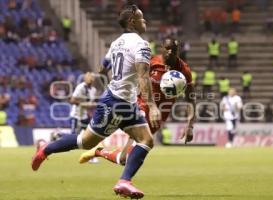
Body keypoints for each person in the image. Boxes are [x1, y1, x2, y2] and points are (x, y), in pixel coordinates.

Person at [31, 5, 161, 199]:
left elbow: (104, 66)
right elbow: (143, 76)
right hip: (118, 101)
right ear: (132, 21)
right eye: (142, 18)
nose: (145, 22)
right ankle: (46, 149)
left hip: (123, 101)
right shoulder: (141, 45)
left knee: (144, 140)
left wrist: (102, 75)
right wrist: (152, 106)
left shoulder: (116, 43)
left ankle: (124, 181)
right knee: (86, 142)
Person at [79, 37, 195, 166]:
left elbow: (190, 98)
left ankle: (99, 152)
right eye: (167, 49)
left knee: (124, 159)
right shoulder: (152, 62)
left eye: (173, 50)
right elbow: (133, 73)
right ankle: (124, 180)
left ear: (178, 51)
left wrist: (190, 125)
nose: (169, 52)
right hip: (143, 106)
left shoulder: (184, 70)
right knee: (137, 148)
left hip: (161, 113)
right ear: (161, 48)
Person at [51, 72, 98, 163]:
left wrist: (91, 107)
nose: (90, 80)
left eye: (91, 79)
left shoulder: (93, 90)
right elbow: (72, 100)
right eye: (89, 78)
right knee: (73, 135)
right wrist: (83, 104)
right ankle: (58, 134)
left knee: (90, 136)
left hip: (85, 116)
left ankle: (91, 157)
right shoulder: (80, 87)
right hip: (76, 115)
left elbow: (90, 103)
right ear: (85, 79)